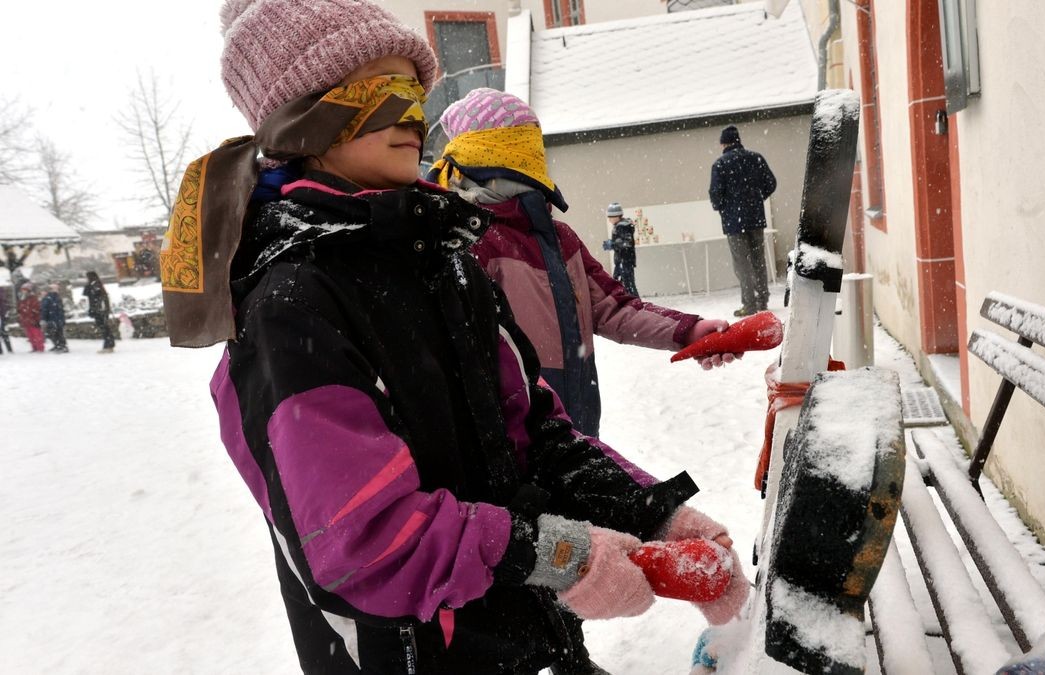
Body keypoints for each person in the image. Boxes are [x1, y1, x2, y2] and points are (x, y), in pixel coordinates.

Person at [166, 2, 749, 673]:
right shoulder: (291, 310)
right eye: (383, 91)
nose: (413, 112)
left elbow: (535, 435)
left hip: (526, 639)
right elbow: (366, 541)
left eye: (416, 90)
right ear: (303, 116)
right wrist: (565, 556)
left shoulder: (443, 262)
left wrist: (657, 516)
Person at [430, 89, 741, 438]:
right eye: (521, 143)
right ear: (486, 152)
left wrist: (687, 330)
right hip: (515, 442)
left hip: (578, 423)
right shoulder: (465, 242)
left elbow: (615, 308)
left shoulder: (558, 238)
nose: (533, 157)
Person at [708, 125, 777, 316]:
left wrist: (725, 207)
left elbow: (715, 195)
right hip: (755, 218)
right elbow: (771, 183)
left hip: (734, 223)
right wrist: (756, 198)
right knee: (758, 260)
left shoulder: (720, 165)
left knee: (742, 264)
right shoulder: (756, 158)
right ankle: (762, 300)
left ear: (723, 143)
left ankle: (749, 304)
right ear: (738, 140)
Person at [602, 202, 638, 297]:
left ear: (616, 216)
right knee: (620, 283)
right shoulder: (620, 226)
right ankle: (627, 303)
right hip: (622, 261)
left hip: (625, 261)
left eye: (610, 217)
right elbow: (622, 241)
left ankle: (635, 303)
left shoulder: (622, 226)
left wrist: (612, 244)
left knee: (628, 284)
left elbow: (627, 243)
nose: (609, 219)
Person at [83, 271, 115, 353]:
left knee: (104, 328)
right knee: (104, 327)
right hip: (100, 310)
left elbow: (96, 297)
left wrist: (99, 309)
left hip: (99, 310)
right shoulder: (96, 284)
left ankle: (108, 345)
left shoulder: (94, 285)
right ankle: (109, 344)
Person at [40, 284, 68, 353]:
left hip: (52, 319)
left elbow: (44, 309)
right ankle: (60, 345)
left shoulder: (48, 298)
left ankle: (59, 346)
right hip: (57, 319)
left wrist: (43, 318)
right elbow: (60, 309)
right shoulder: (56, 297)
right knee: (58, 333)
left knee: (54, 333)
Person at [17, 283, 44, 352]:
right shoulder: (22, 299)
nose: (23, 291)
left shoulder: (33, 298)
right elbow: (21, 309)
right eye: (22, 290)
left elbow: (36, 309)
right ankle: (34, 347)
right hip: (26, 320)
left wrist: (34, 318)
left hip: (33, 320)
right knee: (30, 335)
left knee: (37, 335)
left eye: (25, 290)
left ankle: (40, 348)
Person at [0, 288, 12, 354]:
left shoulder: (1, 293)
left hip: (2, 317)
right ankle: (6, 349)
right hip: (3, 316)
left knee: (4, 333)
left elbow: (4, 306)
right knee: (4, 333)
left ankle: (8, 349)